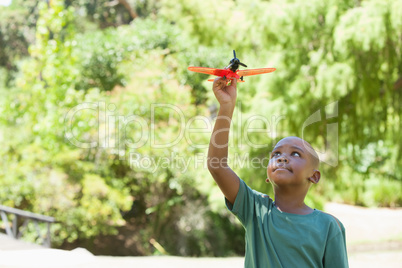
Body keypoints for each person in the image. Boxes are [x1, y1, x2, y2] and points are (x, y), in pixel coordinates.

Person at [207, 77, 349, 267]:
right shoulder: (256, 210)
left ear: (314, 176)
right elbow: (217, 166)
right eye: (276, 154)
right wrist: (226, 106)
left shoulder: (330, 226)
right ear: (268, 175)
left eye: (296, 154)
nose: (282, 158)